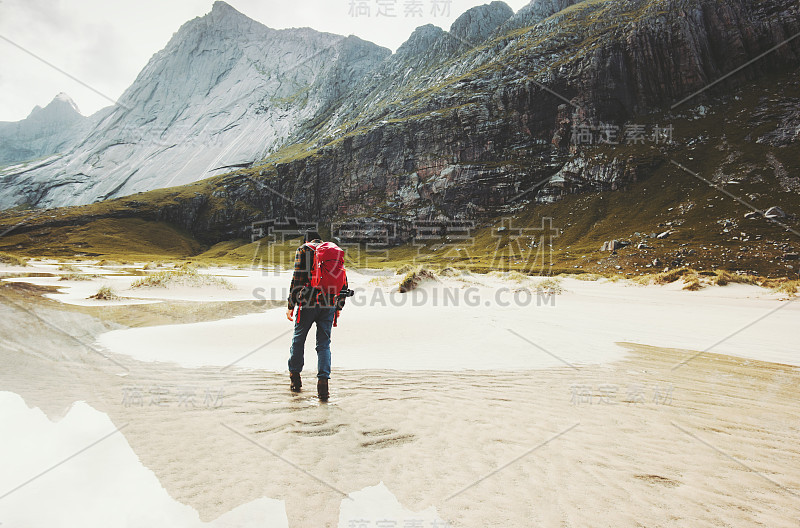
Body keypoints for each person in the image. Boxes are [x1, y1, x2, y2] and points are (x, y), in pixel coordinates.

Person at [286, 230, 347, 400]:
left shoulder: (304, 250)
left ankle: (295, 380)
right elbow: (343, 280)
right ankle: (323, 386)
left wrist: (291, 304)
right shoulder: (333, 251)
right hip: (329, 303)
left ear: (306, 240)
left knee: (299, 340)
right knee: (324, 344)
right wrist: (339, 306)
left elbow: (297, 279)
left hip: (307, 302)